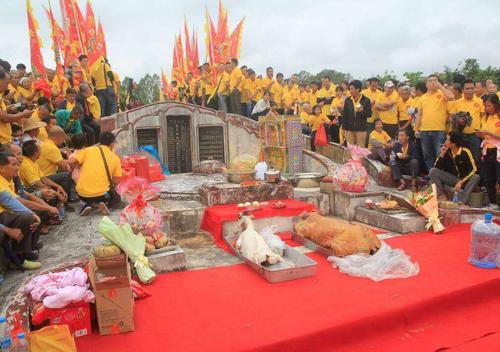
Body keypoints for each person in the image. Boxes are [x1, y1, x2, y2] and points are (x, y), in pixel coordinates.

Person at [0, 152, 41, 270]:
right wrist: (7, 229)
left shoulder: (10, 179)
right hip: (2, 216)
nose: (18, 167)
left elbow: (17, 202)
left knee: (30, 215)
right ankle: (19, 258)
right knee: (28, 216)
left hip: (4, 214)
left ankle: (22, 255)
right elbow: (13, 203)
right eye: (14, 164)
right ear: (2, 168)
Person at [69, 132, 122, 216]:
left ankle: (89, 204)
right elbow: (116, 181)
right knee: (115, 195)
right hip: (102, 194)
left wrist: (75, 168)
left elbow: (70, 161)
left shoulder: (88, 150)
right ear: (112, 144)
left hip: (81, 194)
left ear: (100, 141)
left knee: (86, 192)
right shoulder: (115, 158)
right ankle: (102, 202)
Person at [415, 75, 455, 172]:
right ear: (426, 84)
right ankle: (431, 176)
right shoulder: (422, 98)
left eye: (435, 80)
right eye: (430, 81)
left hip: (439, 130)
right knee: (427, 155)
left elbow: (451, 97)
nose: (433, 82)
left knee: (439, 154)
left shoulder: (442, 94)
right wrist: (416, 129)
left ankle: (439, 175)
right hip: (424, 130)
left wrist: (440, 87)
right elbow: (419, 115)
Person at [429, 131, 480, 205]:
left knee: (476, 177)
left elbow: (473, 169)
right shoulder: (446, 152)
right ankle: (442, 196)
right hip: (452, 179)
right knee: (433, 171)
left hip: (465, 180)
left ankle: (462, 200)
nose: (445, 141)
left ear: (453, 143)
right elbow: (436, 167)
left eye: (447, 140)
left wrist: (461, 181)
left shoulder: (465, 152)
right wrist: (442, 155)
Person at [448, 79, 484, 167]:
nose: (470, 90)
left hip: (475, 136)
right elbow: (451, 119)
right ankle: (464, 179)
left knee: (476, 158)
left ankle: (478, 179)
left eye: (472, 88)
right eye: (467, 89)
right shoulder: (456, 103)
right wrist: (458, 120)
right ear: (463, 90)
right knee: (461, 159)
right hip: (460, 135)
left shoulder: (480, 102)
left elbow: (483, 118)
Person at [36, 126, 73, 207]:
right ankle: (62, 202)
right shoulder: (51, 148)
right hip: (45, 177)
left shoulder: (45, 143)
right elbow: (64, 166)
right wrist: (72, 158)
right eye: (63, 138)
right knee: (67, 175)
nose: (63, 141)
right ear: (59, 137)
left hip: (44, 174)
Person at [476, 94, 500, 209]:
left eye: (489, 105)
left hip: (498, 150)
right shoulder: (485, 117)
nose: (487, 108)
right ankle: (492, 203)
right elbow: (484, 135)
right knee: (489, 178)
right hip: (487, 149)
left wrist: (489, 133)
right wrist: (481, 134)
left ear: (496, 105)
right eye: (485, 106)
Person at [0, 70, 33, 144]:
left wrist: (8, 108)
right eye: (6, 83)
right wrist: (23, 115)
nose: (6, 87)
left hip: (6, 137)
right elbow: (4, 118)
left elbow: (3, 112)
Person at [342, 80, 372, 147]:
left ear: (358, 89)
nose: (350, 91)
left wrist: (362, 111)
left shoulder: (366, 100)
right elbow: (345, 115)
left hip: (361, 129)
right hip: (349, 129)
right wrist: (343, 128)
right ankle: (350, 158)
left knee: (360, 149)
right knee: (350, 149)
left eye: (352, 89)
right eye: (349, 89)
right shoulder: (347, 100)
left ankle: (359, 158)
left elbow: (369, 114)